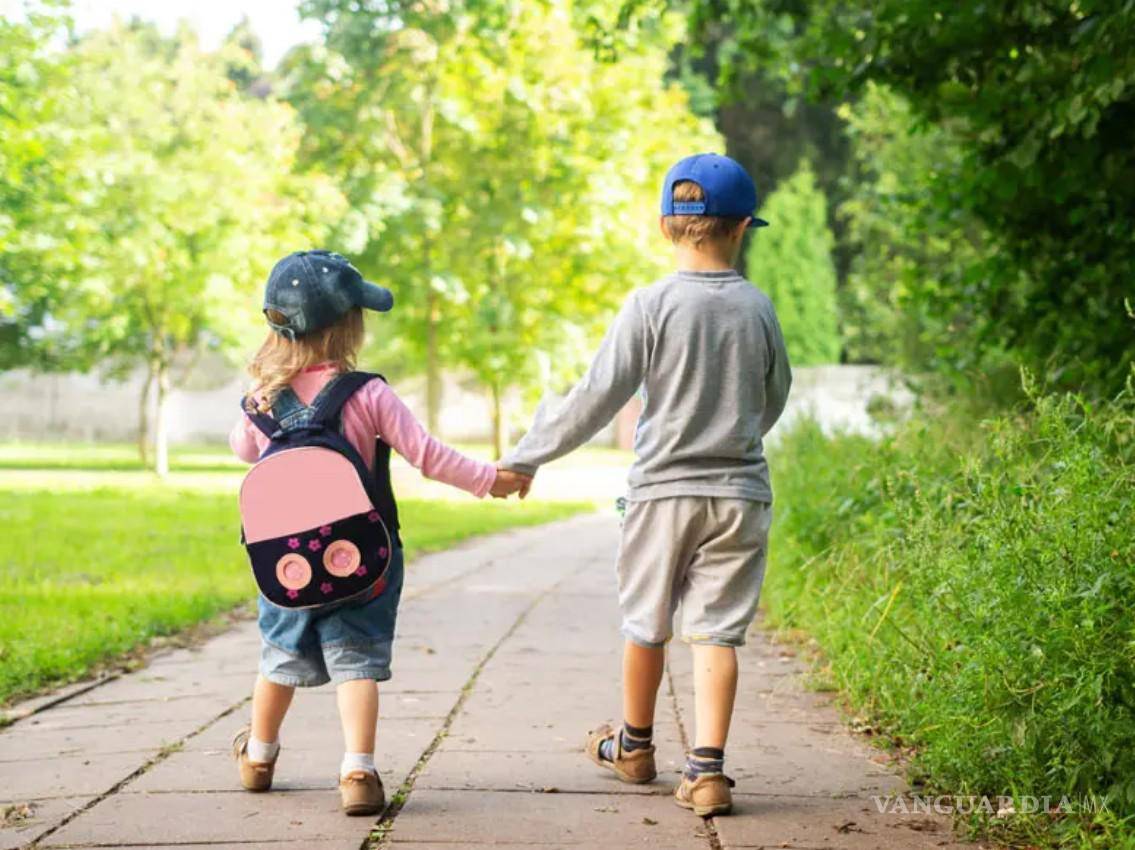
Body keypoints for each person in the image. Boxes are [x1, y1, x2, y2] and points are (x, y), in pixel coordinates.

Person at [500, 154, 792, 816]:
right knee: (716, 632)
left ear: (667, 225)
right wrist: (739, 433)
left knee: (645, 622)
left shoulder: (650, 305)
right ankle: (708, 770)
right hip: (739, 494)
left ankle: (633, 748)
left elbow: (597, 395)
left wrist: (527, 457)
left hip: (662, 493)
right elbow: (774, 395)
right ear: (743, 226)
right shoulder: (757, 307)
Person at [228, 250, 530, 816]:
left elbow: (244, 452)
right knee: (357, 664)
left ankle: (260, 756)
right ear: (349, 326)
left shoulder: (261, 400)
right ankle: (358, 772)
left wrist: (258, 402)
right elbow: (428, 456)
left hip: (286, 564)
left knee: (277, 659)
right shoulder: (369, 395)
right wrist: (491, 479)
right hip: (361, 559)